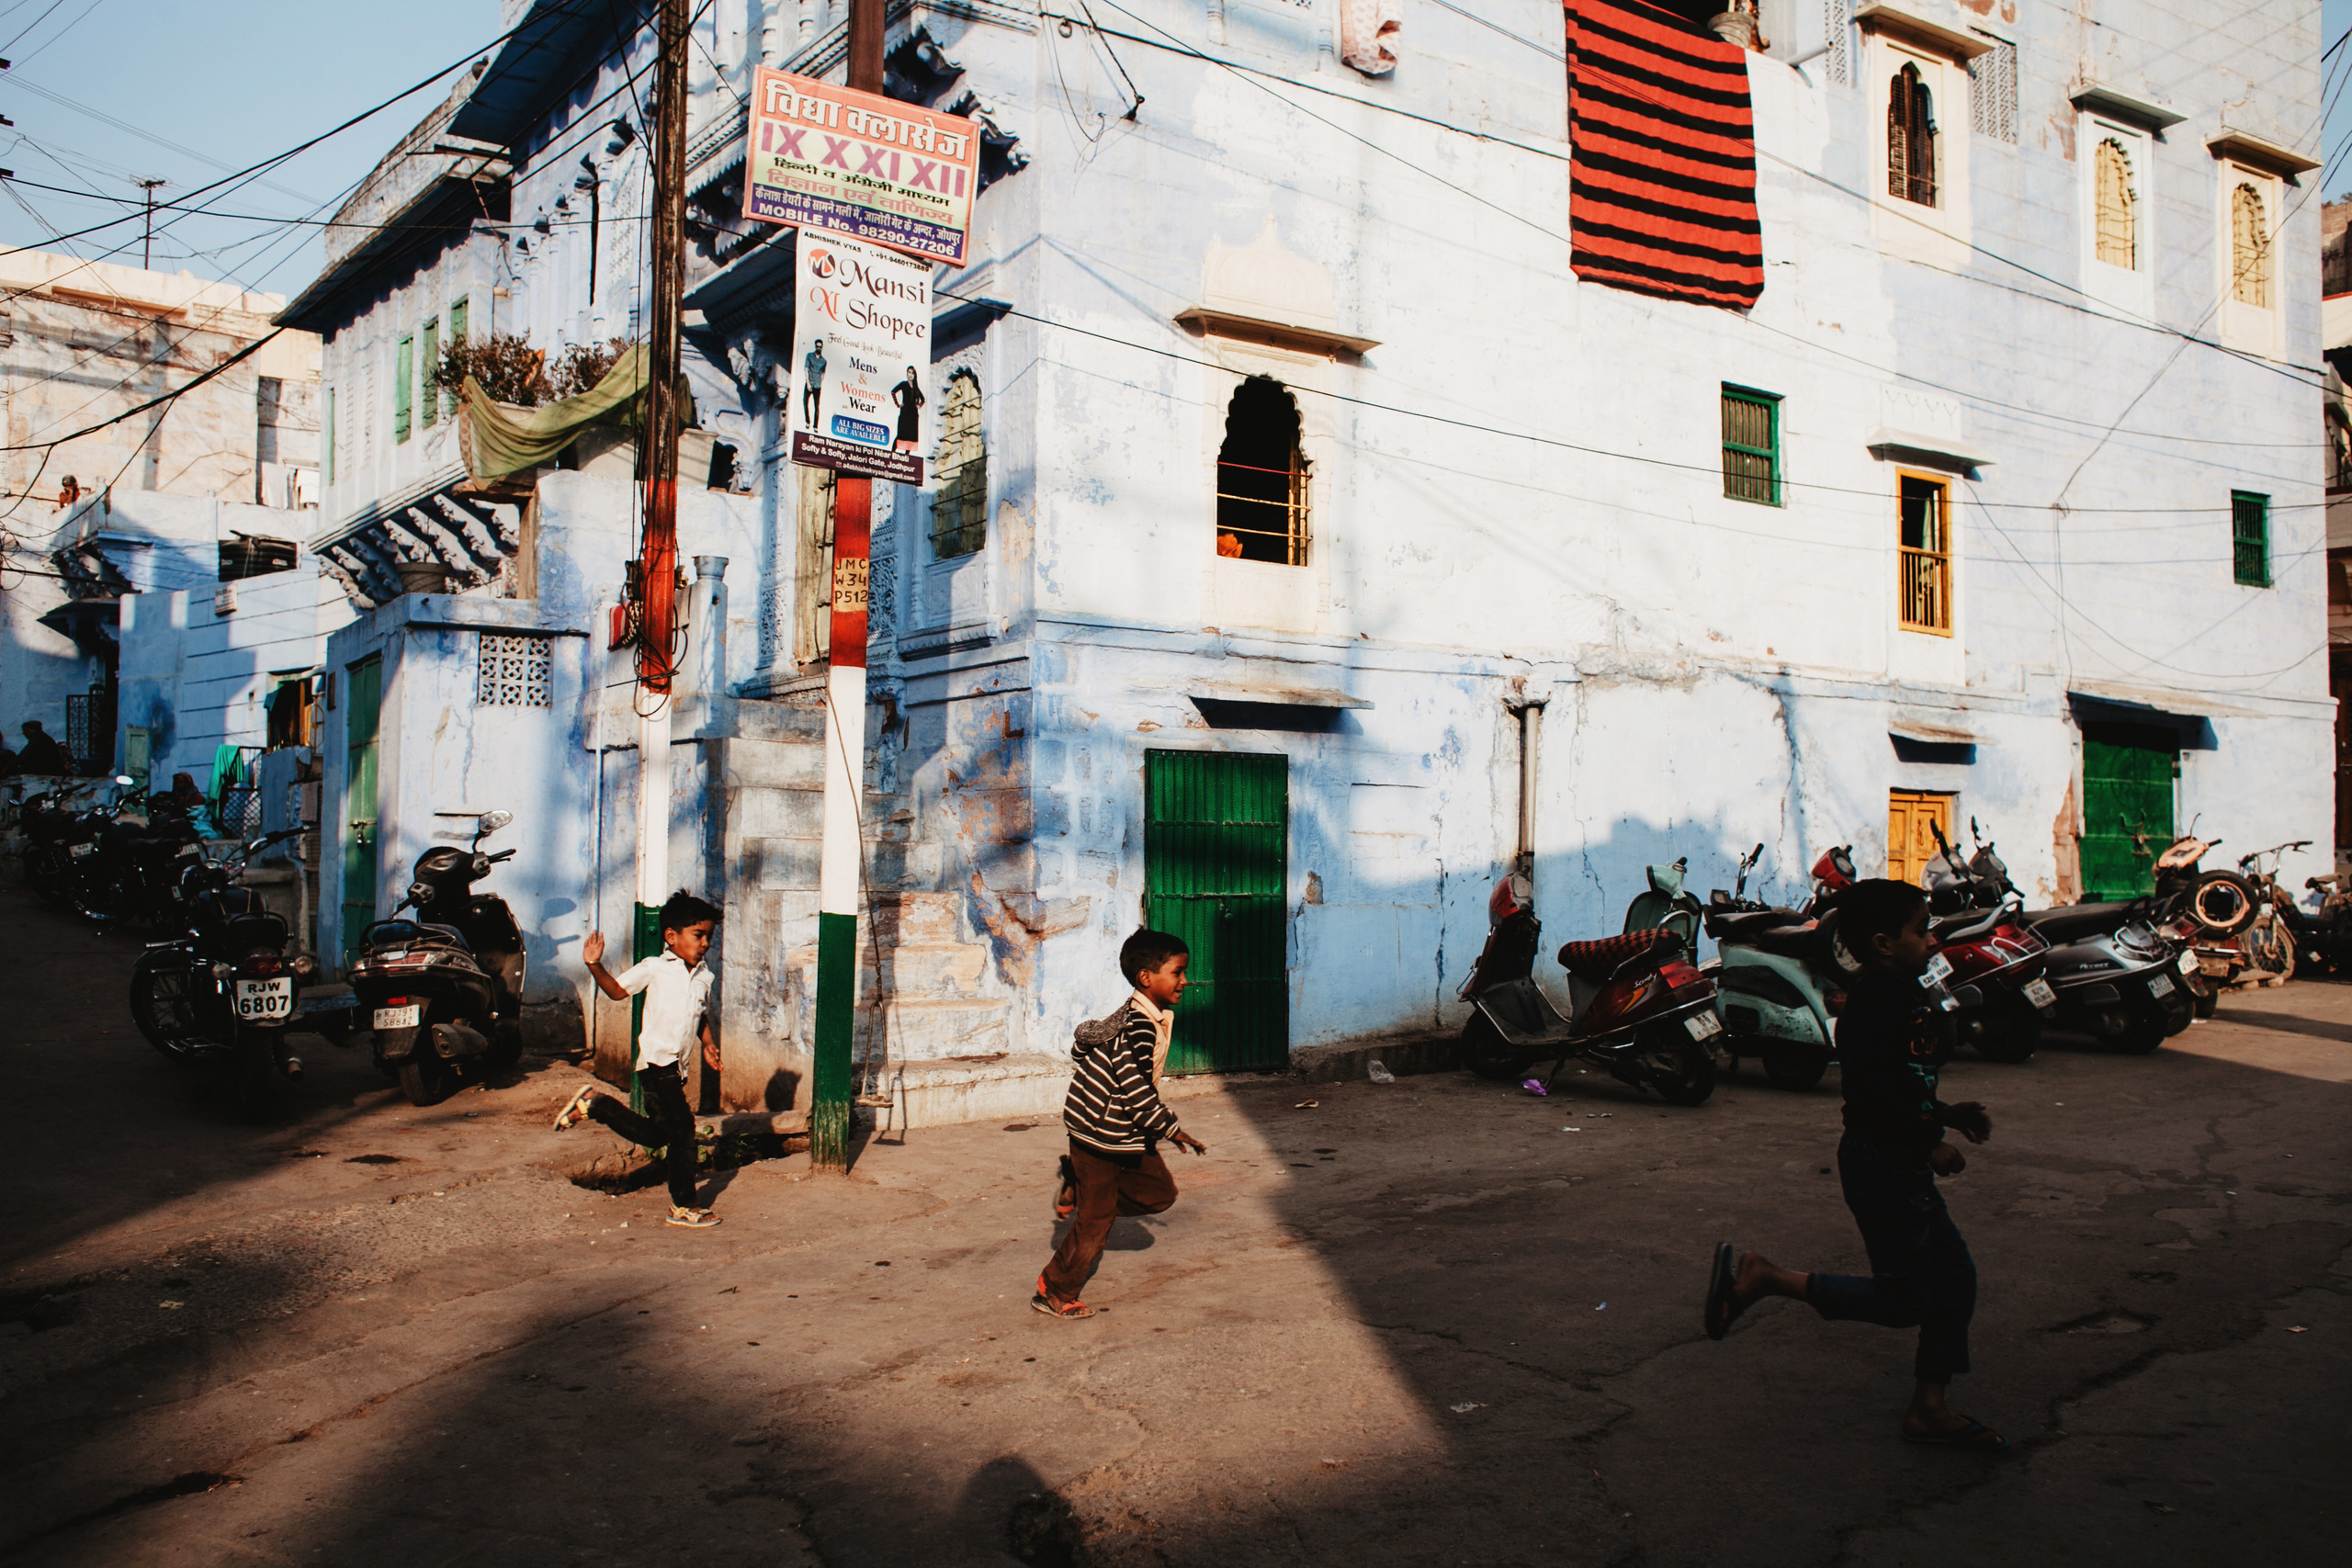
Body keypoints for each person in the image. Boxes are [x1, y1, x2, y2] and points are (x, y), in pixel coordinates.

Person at [1703, 878, 2007, 1453]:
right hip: (1884, 1163)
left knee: (1954, 1278)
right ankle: (1765, 1279)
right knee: (1905, 1300)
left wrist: (1945, 1112)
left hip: (1896, 1159)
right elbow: (1868, 1088)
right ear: (1884, 943)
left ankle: (1929, 1406)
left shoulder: (1897, 990)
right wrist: (1926, 1142)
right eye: (1920, 931)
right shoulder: (1882, 996)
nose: (1931, 940)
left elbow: (1900, 1080)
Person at [1033, 929, 1208, 1320]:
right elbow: (1134, 1089)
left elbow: (1087, 1048)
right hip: (1100, 1135)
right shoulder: (1138, 1026)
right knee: (1097, 1221)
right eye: (1177, 972)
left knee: (1159, 1193)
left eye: (1184, 972)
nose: (1184, 980)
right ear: (1146, 978)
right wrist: (1172, 1129)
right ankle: (1055, 1290)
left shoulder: (1141, 1014)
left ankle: (1078, 1185)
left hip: (1125, 1131)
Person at [553, 890, 725, 1229]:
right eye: (698, 935)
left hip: (676, 1068)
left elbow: (699, 1015)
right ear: (671, 936)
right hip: (657, 1061)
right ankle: (683, 1205)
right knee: (684, 1131)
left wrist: (707, 1043)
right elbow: (617, 991)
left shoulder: (705, 976)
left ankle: (596, 1106)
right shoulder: (655, 968)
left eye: (709, 937)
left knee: (661, 1134)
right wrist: (593, 963)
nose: (705, 943)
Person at [890, 367, 924, 453]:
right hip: (905, 412)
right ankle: (892, 452)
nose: (910, 375)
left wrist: (919, 405)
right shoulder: (904, 384)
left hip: (913, 413)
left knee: (910, 435)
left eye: (912, 373)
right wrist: (898, 404)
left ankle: (907, 456)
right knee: (901, 432)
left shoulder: (916, 387)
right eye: (909, 372)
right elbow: (893, 392)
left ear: (915, 375)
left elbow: (923, 399)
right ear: (907, 373)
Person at [801, 339, 826, 430]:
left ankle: (815, 426)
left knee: (816, 406)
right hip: (809, 383)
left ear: (822, 347)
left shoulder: (823, 361)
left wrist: (820, 381)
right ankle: (807, 421)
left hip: (817, 386)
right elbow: (806, 369)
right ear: (815, 346)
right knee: (805, 402)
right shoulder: (809, 356)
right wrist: (808, 383)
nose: (819, 348)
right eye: (817, 346)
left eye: (820, 347)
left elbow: (823, 373)